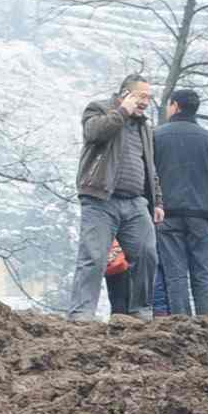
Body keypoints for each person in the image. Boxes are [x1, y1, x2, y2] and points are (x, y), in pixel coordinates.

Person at [70, 72, 160, 321]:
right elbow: (93, 134)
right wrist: (122, 112)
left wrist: (157, 201)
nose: (145, 102)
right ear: (125, 94)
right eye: (141, 96)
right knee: (93, 257)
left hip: (135, 202)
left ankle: (140, 311)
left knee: (147, 253)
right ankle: (82, 313)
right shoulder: (98, 109)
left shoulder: (144, 127)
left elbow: (150, 166)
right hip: (100, 199)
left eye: (149, 98)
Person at [149, 89, 208, 318]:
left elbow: (149, 175)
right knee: (203, 273)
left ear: (174, 106)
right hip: (202, 214)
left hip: (168, 213)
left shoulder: (156, 136)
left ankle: (182, 323)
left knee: (175, 273)